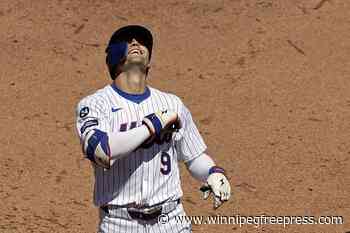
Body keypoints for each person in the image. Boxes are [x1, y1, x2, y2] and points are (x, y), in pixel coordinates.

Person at [75, 25, 231, 233]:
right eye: (127, 40)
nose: (136, 43)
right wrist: (153, 125)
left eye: (142, 41)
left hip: (172, 220)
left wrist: (212, 172)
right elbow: (101, 151)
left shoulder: (172, 103)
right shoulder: (95, 104)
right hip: (120, 224)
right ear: (113, 57)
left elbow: (193, 156)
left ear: (149, 61)